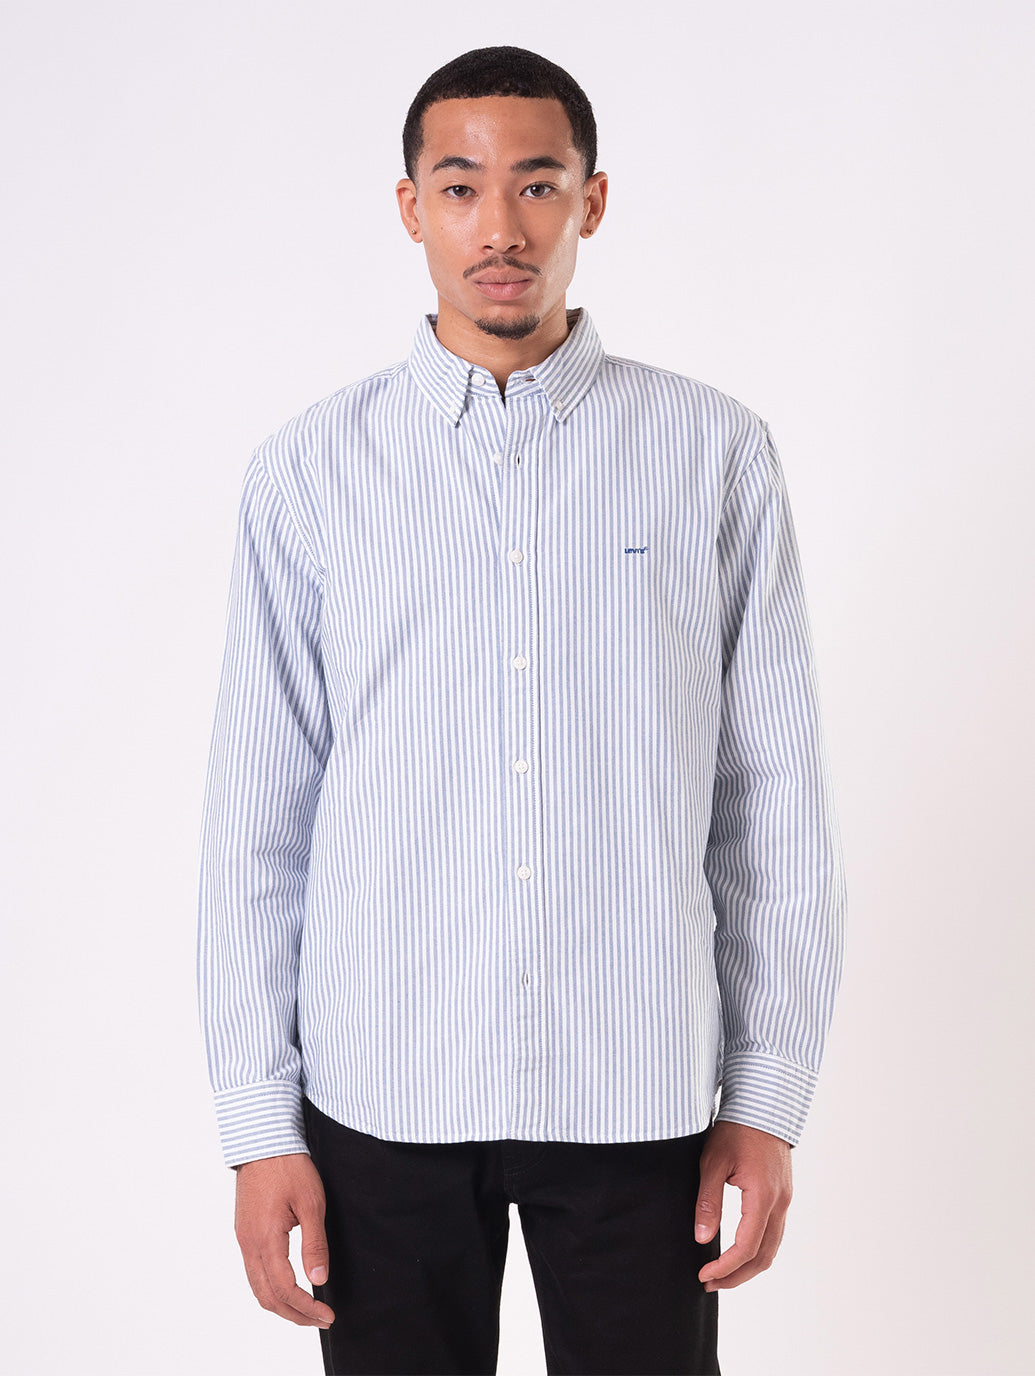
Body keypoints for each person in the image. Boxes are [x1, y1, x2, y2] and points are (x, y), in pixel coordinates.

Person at [196, 44, 847, 1376]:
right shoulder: (310, 474)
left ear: (591, 200)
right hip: (381, 1094)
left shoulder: (712, 454)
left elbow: (772, 797)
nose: (500, 226)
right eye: (460, 187)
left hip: (635, 1090)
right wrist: (261, 1125)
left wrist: (768, 1096)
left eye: (538, 184)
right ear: (411, 208)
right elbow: (259, 819)